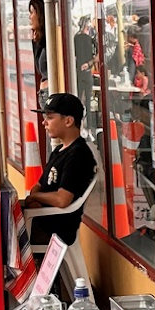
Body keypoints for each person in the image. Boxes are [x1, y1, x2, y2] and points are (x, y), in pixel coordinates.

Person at [21, 93, 98, 248]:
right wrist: (35, 198)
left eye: (50, 118)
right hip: (40, 218)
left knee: (2, 237)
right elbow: (39, 184)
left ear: (68, 121)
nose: (44, 123)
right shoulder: (58, 151)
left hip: (55, 229)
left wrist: (36, 197)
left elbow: (62, 200)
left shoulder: (78, 154)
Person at [29, 0, 48, 95]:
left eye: (32, 13)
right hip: (44, 93)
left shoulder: (50, 40)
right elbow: (38, 68)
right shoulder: (41, 41)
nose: (30, 17)